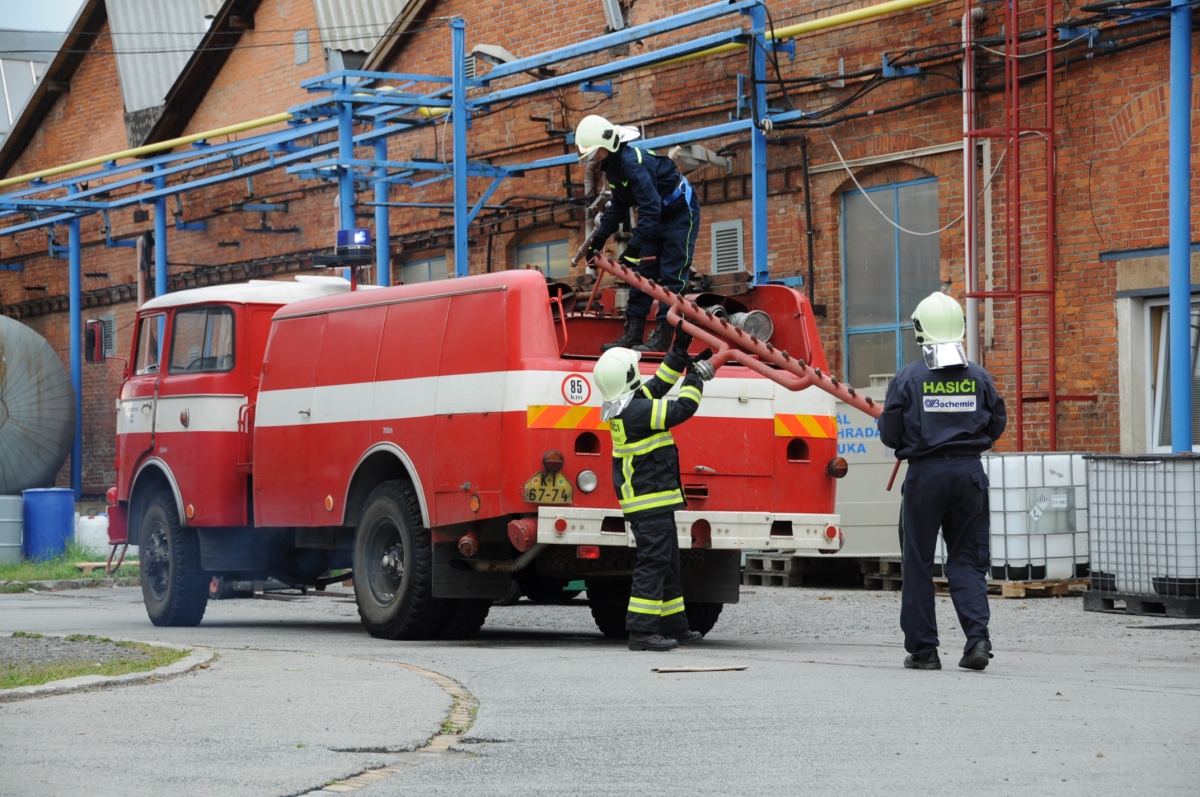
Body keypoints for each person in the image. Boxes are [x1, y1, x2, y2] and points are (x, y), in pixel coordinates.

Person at [878, 291, 1007, 671]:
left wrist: (914, 441)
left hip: (925, 477)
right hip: (969, 475)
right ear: (961, 328)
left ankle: (924, 652)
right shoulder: (980, 376)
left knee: (918, 562)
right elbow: (996, 422)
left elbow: (890, 431)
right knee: (967, 559)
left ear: (920, 330)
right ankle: (977, 640)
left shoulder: (909, 377)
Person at [592, 323, 715, 651]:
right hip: (649, 503)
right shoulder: (636, 412)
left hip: (651, 502)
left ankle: (675, 626)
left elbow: (658, 385)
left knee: (668, 562)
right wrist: (696, 378)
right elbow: (682, 408)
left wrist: (679, 352)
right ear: (629, 376)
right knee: (655, 561)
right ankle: (642, 631)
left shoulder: (627, 406)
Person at [575, 114, 701, 353]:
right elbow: (620, 207)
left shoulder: (632, 164)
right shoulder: (613, 169)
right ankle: (632, 334)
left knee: (672, 272)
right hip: (657, 216)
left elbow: (651, 206)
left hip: (680, 213)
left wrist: (635, 245)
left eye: (595, 152)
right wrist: (599, 239)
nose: (594, 158)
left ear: (609, 144)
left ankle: (663, 336)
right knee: (643, 275)